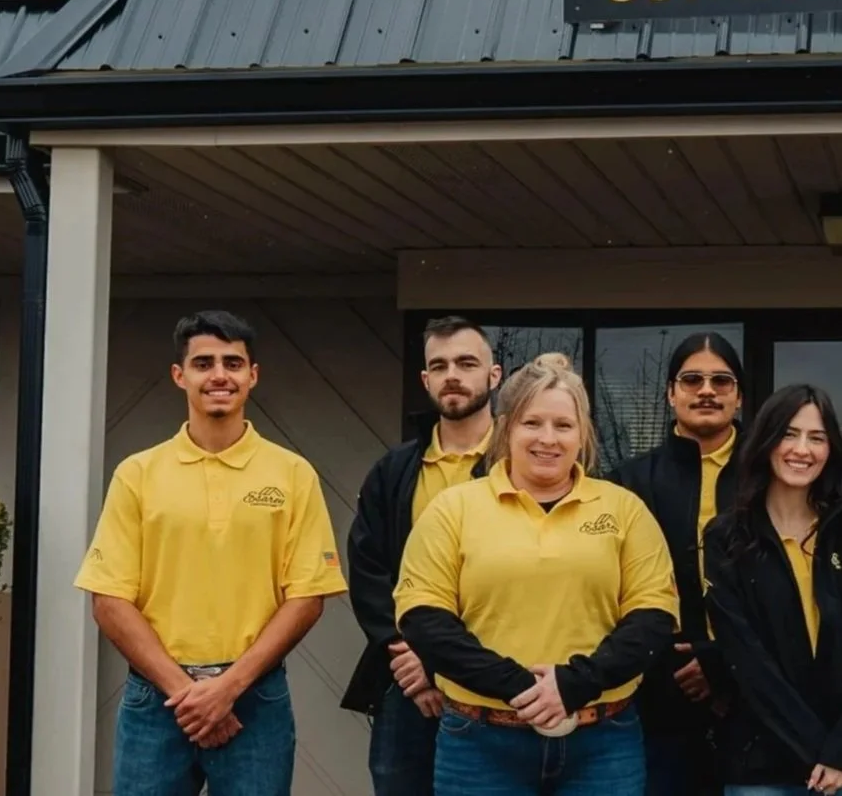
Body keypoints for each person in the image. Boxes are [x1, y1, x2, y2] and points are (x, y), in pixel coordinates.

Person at [74, 310, 347, 796]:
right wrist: (189, 695)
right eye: (203, 363)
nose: (219, 375)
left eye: (232, 363)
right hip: (156, 699)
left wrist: (228, 690)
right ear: (180, 376)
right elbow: (109, 600)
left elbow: (307, 597)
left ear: (252, 376)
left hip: (254, 698)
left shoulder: (291, 474)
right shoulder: (137, 474)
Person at [394, 352, 680, 793]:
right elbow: (424, 618)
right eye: (532, 423)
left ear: (582, 433)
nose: (548, 438)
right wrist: (522, 688)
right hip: (480, 744)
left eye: (564, 426)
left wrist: (572, 685)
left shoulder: (624, 510)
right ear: (505, 427)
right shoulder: (454, 509)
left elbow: (654, 617)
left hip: (603, 744)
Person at [703, 384, 842, 796]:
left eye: (817, 438)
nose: (802, 449)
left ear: (832, 451)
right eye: (789, 434)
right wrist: (818, 752)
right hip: (764, 763)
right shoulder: (727, 539)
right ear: (766, 441)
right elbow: (748, 661)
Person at [342, 315, 503, 795]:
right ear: (425, 380)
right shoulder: (394, 471)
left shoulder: (519, 466)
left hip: (501, 677)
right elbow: (369, 570)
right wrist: (410, 658)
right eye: (440, 365)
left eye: (467, 362)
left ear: (494, 377)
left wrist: (446, 663)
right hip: (408, 681)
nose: (453, 374)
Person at [609, 332, 747, 796]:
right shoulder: (629, 481)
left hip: (756, 696)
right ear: (670, 393)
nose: (706, 390)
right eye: (692, 380)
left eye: (721, 381)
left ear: (739, 395)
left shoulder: (771, 475)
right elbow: (617, 588)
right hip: (659, 696)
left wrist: (722, 661)